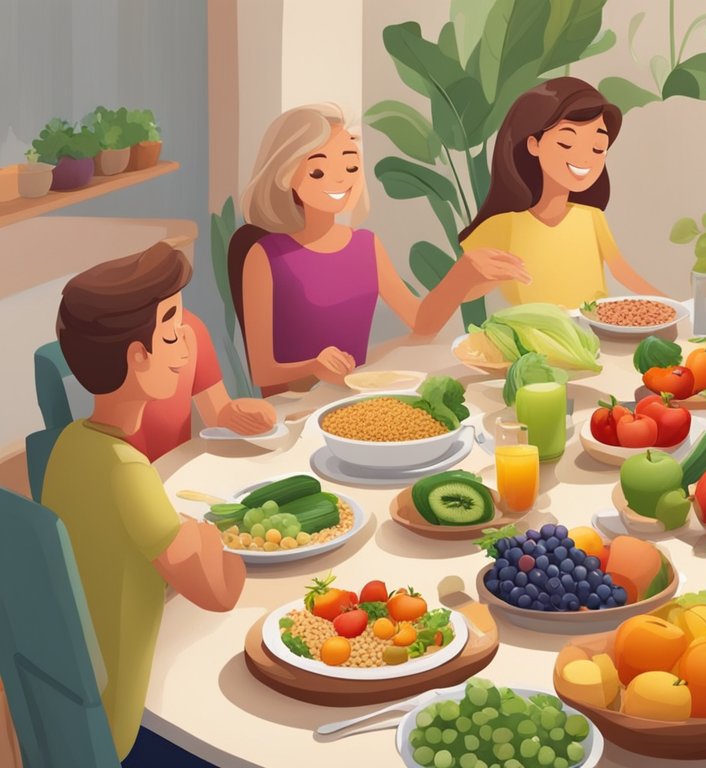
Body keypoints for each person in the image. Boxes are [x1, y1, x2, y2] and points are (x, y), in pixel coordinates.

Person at [42, 243, 246, 760]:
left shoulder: (68, 447)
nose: (185, 351)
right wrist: (210, 539)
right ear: (137, 356)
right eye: (174, 333)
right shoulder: (129, 472)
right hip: (132, 729)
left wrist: (184, 537)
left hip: (69, 709)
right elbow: (220, 591)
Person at [231, 103, 530, 394]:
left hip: (355, 393)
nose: (340, 178)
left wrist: (465, 277)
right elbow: (262, 372)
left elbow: (421, 324)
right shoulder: (266, 256)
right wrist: (313, 367)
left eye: (350, 165)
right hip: (295, 406)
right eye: (319, 171)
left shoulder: (366, 245)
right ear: (286, 175)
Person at [459, 77, 664, 308]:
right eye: (566, 142)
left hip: (593, 334)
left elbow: (623, 272)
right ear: (533, 144)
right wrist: (467, 274)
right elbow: (466, 292)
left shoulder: (592, 216)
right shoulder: (506, 225)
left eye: (598, 148)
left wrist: (674, 307)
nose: (586, 158)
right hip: (536, 336)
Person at [124, 306, 276, 461]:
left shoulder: (190, 327)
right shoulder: (110, 333)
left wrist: (237, 415)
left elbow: (217, 411)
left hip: (173, 471)